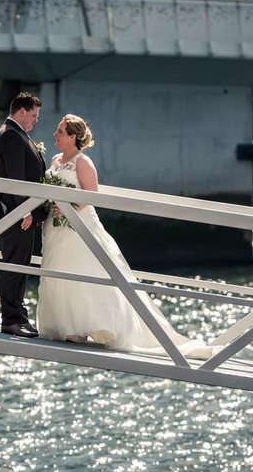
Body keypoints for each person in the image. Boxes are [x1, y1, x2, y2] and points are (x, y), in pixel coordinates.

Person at [36, 114, 220, 360]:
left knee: (86, 269)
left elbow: (91, 196)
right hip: (54, 226)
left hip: (78, 225)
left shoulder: (83, 162)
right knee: (59, 270)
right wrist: (53, 206)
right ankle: (68, 327)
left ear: (72, 136)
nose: (55, 135)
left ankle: (95, 326)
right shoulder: (56, 160)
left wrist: (66, 206)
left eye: (60, 131)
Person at [0, 92, 48, 337]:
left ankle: (19, 318)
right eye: (33, 115)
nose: (35, 120)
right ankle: (11, 322)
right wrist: (24, 210)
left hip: (20, 212)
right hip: (16, 213)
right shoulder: (12, 135)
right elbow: (15, 178)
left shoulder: (16, 133)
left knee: (21, 266)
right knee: (14, 266)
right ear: (21, 111)